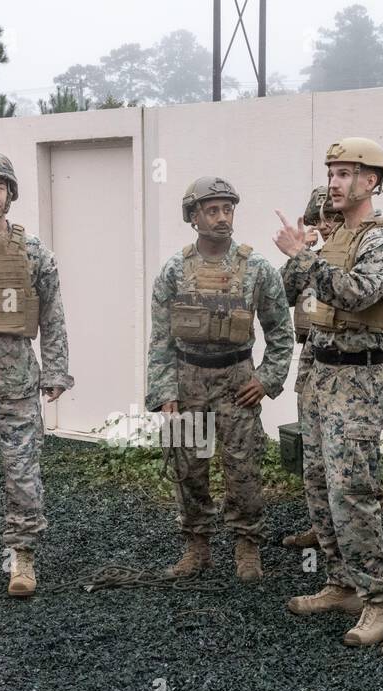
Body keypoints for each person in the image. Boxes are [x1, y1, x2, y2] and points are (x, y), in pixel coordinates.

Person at [276, 138, 383, 648]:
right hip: (319, 371)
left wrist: (302, 257)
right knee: (317, 484)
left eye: (347, 173)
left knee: (352, 491)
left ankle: (381, 600)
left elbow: (358, 292)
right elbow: (296, 296)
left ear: (371, 181)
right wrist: (299, 258)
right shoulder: (332, 239)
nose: (334, 182)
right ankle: (341, 583)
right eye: (331, 173)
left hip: (357, 378)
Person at [146, 176, 294, 581]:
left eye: (227, 209)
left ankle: (247, 545)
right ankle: (197, 546)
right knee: (188, 468)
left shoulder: (257, 268)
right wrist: (164, 393)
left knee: (243, 469)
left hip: (237, 381)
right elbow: (161, 337)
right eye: (212, 210)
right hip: (187, 376)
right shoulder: (174, 270)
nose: (222, 217)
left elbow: (281, 330)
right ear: (193, 216)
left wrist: (266, 379)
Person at [0, 152, 74, 597]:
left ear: (10, 194)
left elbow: (53, 315)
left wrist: (57, 370)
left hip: (19, 383)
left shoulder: (33, 251)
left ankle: (22, 557)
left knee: (22, 472)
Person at [282, 185, 344, 551]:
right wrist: (300, 253)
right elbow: (282, 294)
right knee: (313, 449)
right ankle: (322, 526)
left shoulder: (351, 254)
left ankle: (346, 533)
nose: (327, 224)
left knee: (343, 456)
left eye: (333, 217)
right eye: (320, 219)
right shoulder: (310, 256)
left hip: (342, 360)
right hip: (311, 354)